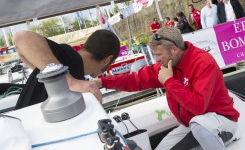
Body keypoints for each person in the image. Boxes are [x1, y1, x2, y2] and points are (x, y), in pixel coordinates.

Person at [68, 27, 239, 150]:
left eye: (158, 55)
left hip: (220, 121)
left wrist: (169, 81)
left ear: (174, 49)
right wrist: (101, 83)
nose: (156, 60)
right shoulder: (165, 64)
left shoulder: (203, 63)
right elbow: (135, 80)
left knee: (199, 125)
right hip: (191, 124)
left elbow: (199, 106)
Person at [13, 29, 120, 109]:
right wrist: (69, 82)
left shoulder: (55, 64)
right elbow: (21, 37)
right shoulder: (70, 57)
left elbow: (19, 49)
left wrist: (43, 71)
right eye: (112, 62)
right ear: (108, 59)